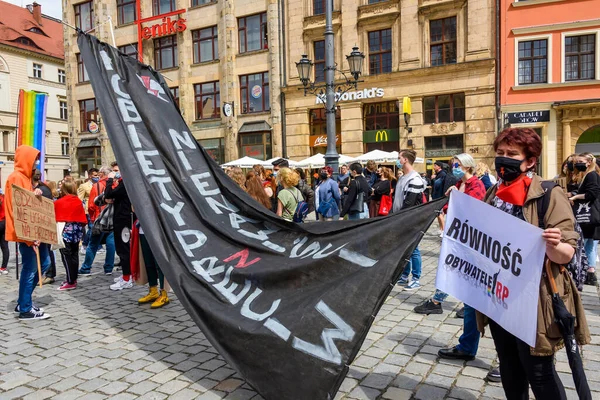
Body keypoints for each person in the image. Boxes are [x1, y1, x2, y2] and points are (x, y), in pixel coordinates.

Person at [478, 127, 590, 399]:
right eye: (500, 153)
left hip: (534, 299)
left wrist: (554, 244)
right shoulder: (494, 193)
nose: (504, 159)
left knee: (538, 371)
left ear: (530, 161)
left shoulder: (549, 194)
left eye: (512, 154)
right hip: (498, 295)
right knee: (509, 366)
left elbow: (567, 255)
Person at [6, 146, 51, 319]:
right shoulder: (16, 177)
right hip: (27, 234)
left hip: (32, 233)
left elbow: (27, 201)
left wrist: (35, 193)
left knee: (44, 264)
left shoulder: (24, 178)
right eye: (34, 159)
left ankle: (23, 302)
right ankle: (25, 308)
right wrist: (29, 236)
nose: (36, 162)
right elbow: (19, 208)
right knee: (31, 269)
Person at [393, 150, 425, 290]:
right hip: (400, 219)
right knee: (404, 248)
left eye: (399, 158)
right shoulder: (403, 178)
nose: (397, 160)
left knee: (413, 249)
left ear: (405, 160)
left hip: (410, 220)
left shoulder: (414, 179)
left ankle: (416, 277)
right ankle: (405, 275)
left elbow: (409, 203)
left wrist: (399, 218)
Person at [568, 152, 600, 286]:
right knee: (588, 244)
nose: (577, 164)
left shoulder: (592, 175)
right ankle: (588, 272)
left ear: (588, 162)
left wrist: (575, 197)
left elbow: (591, 194)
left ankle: (587, 271)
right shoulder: (587, 175)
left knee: (587, 243)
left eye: (580, 161)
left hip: (588, 214)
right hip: (586, 214)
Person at [80, 166, 116, 276]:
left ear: (102, 174)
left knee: (93, 244)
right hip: (113, 218)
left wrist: (92, 219)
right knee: (111, 244)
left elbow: (91, 205)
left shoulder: (97, 186)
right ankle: (108, 268)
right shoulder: (115, 185)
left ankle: (86, 268)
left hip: (99, 218)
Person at [105, 162, 134, 291]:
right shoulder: (124, 183)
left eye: (116, 170)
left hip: (123, 220)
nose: (114, 172)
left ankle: (127, 278)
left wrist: (109, 180)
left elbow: (108, 194)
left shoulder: (125, 183)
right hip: (122, 218)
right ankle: (127, 275)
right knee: (122, 248)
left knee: (123, 249)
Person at [54, 181, 87, 291]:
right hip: (76, 231)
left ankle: (70, 281)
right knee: (74, 254)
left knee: (66, 255)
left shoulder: (59, 202)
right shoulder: (77, 201)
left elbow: (55, 215)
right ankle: (73, 277)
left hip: (65, 231)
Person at [32, 170, 57, 285]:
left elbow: (45, 208)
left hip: (44, 224)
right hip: (39, 223)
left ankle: (49, 274)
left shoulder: (44, 190)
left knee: (47, 250)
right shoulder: (41, 188)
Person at [78, 168, 98, 254]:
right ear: (90, 176)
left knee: (96, 228)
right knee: (92, 228)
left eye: (97, 175)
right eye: (95, 175)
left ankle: (94, 246)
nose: (97, 177)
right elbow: (79, 199)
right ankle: (85, 244)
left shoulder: (99, 184)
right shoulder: (84, 186)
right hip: (88, 209)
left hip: (98, 209)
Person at [0, 188, 8, 275]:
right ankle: (3, 267)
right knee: (4, 246)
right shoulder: (4, 198)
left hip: (1, 222)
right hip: (5, 222)